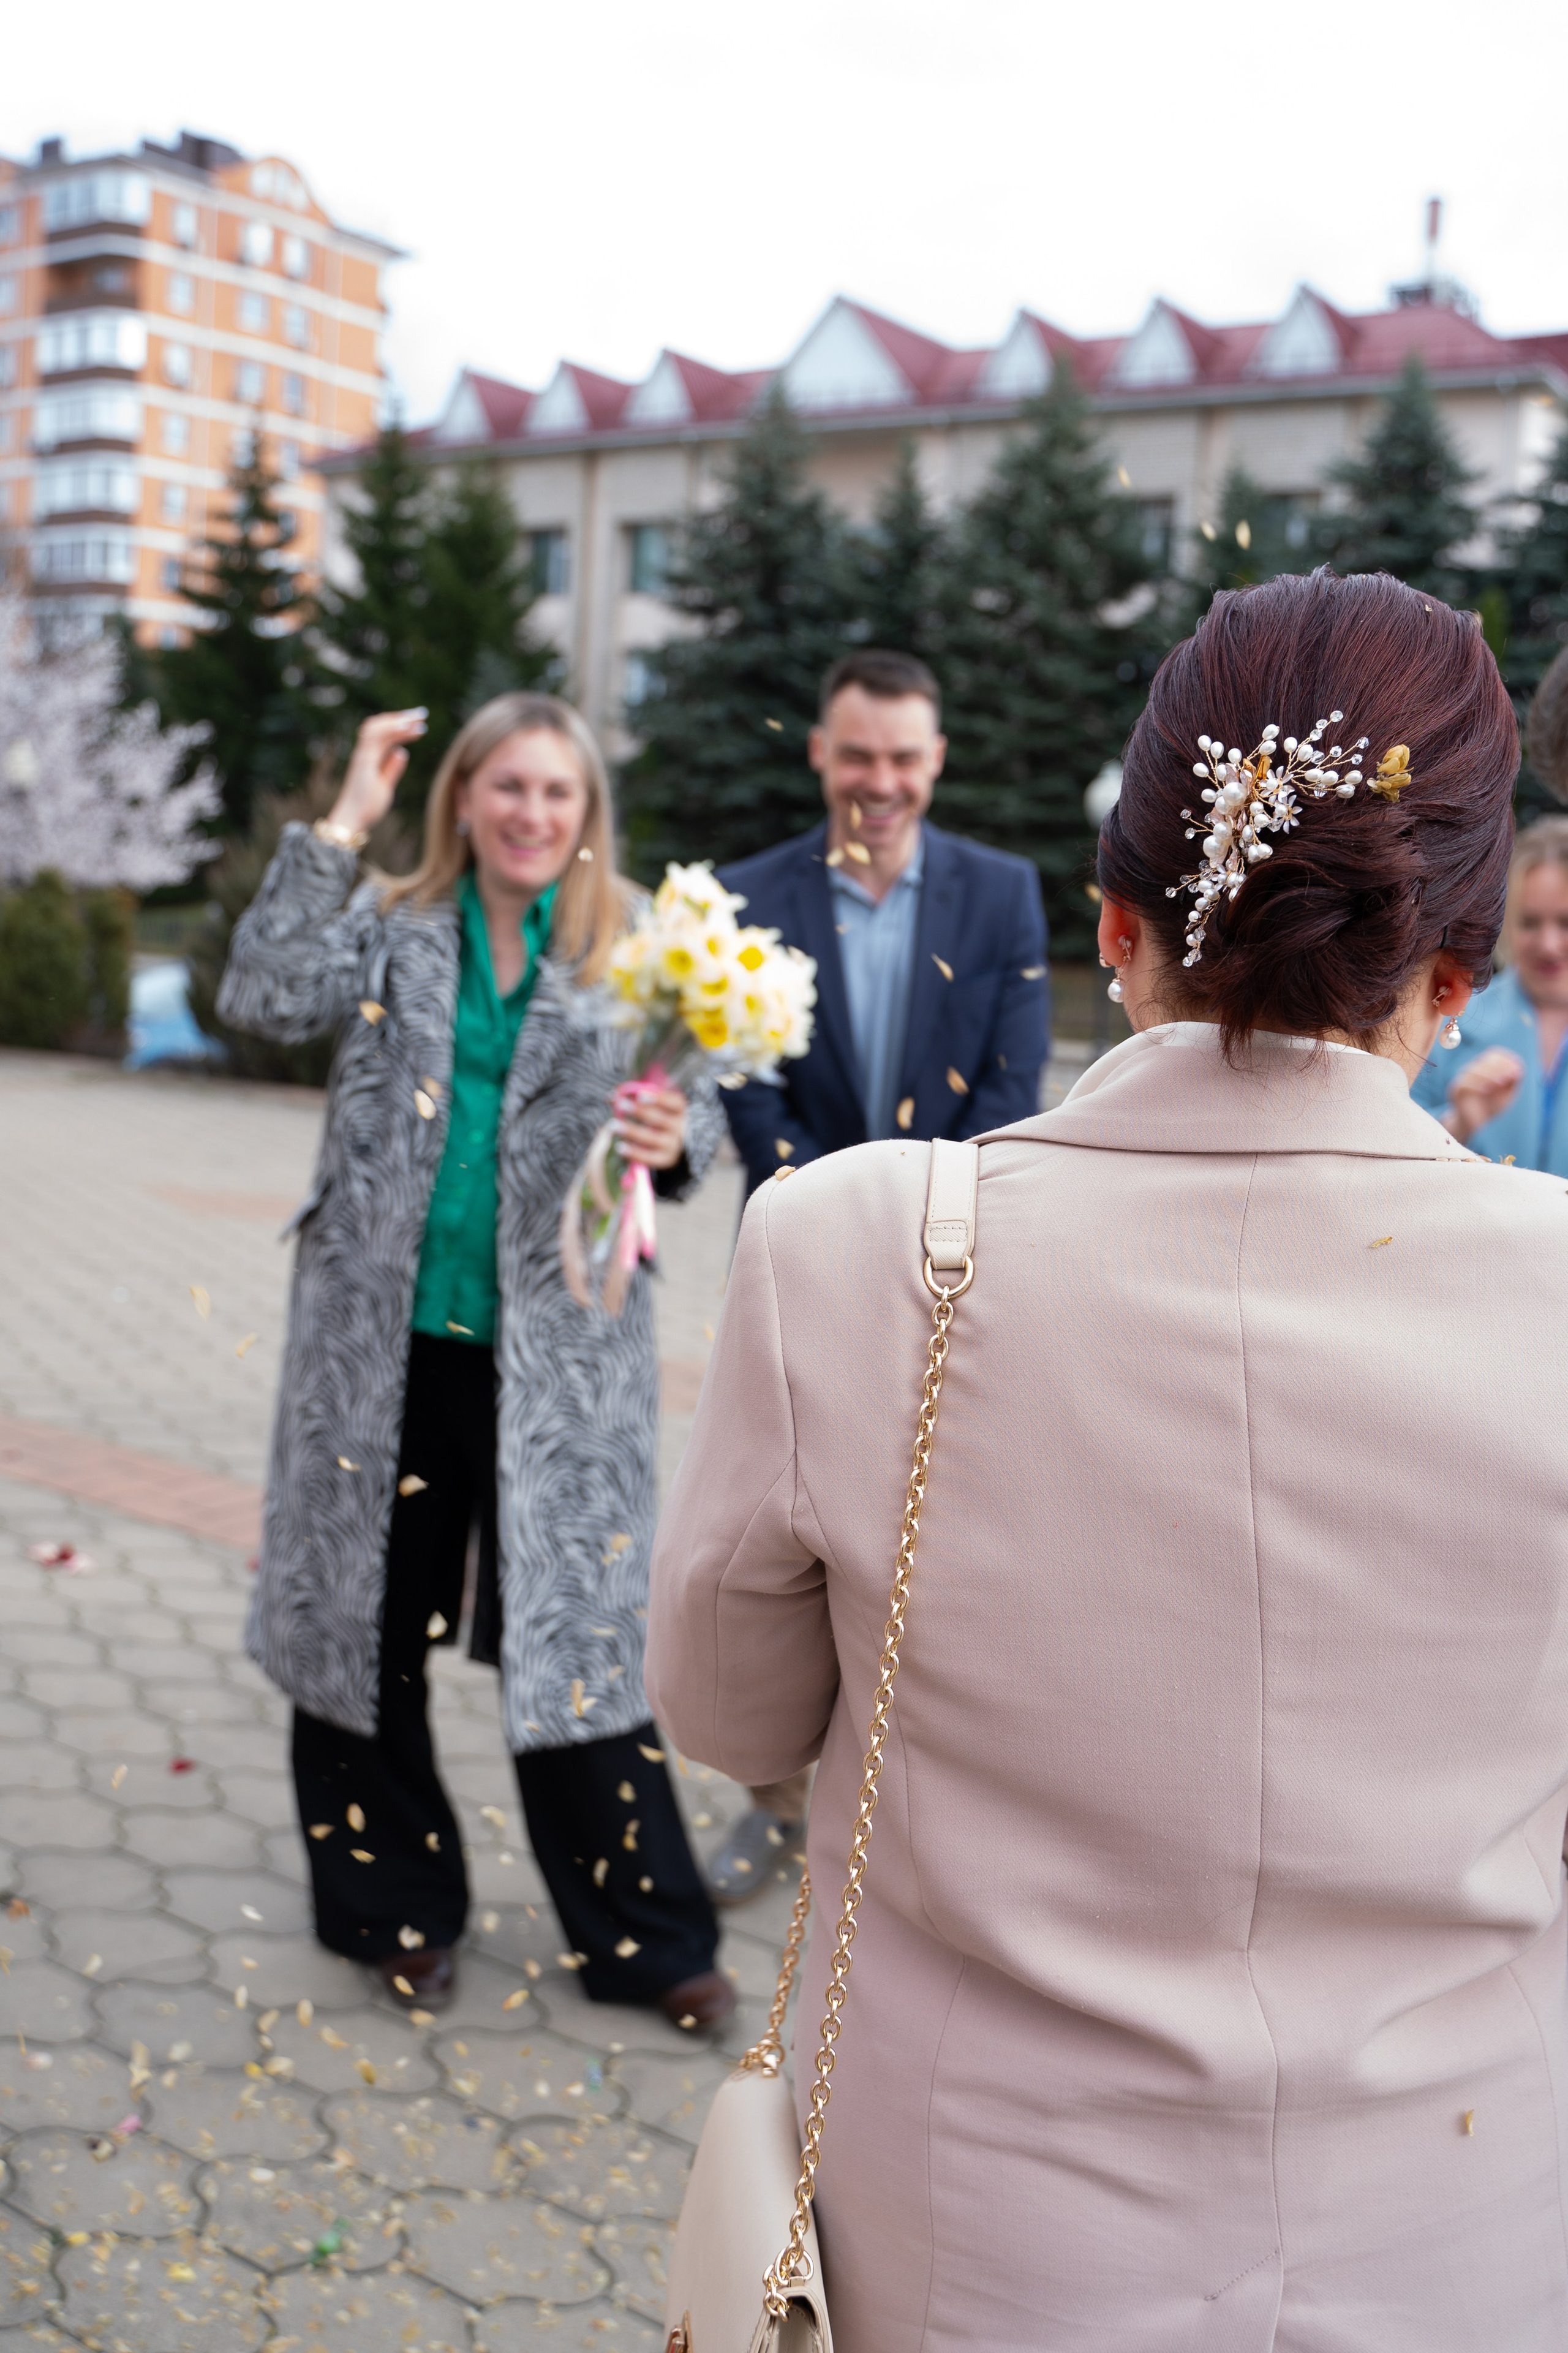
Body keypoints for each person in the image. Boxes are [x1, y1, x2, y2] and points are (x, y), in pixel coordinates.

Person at [648, 572, 1568, 2346]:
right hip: (1459, 2235)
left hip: (972, 2239)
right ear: (1450, 980)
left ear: (1116, 923)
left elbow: (729, 1713)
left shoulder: (848, 1246)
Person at [219, 694, 733, 2030]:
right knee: (361, 1628)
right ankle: (390, 1906)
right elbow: (260, 992)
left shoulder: (639, 949)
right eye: (507, 786)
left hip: (556, 1362)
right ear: (461, 796)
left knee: (579, 1641)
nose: (530, 814)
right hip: (378, 1348)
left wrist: (676, 1135)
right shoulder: (392, 926)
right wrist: (343, 821)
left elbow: (703, 1118)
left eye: (557, 792)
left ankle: (646, 1936)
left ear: (586, 812)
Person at [707, 648, 1049, 1897]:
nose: (880, 781)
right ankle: (773, 1800)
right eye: (857, 754)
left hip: (951, 1279)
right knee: (779, 1553)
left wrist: (914, 1239)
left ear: (936, 760)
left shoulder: (1002, 895)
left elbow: (1010, 1095)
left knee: (933, 1555)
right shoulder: (746, 900)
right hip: (792, 1277)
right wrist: (837, 1234)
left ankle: (911, 1815)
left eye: (904, 757)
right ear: (819, 752)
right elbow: (752, 1101)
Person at [1412, 812, 1568, 1168]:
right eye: (1529, 923)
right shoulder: (1450, 1016)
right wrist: (1459, 1123)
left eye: (1566, 922)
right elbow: (1393, 1150)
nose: (1548, 945)